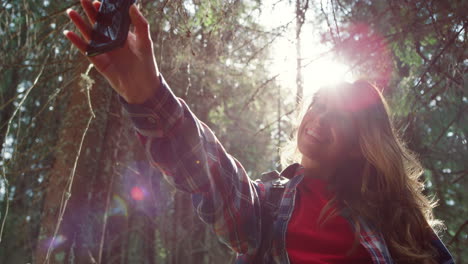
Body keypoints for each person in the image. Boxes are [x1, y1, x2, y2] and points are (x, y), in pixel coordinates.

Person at [64, 1, 455, 263]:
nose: (320, 118)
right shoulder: (267, 203)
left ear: (361, 146)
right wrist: (147, 93)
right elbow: (211, 174)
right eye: (318, 103)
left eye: (340, 118)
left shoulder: (396, 220)